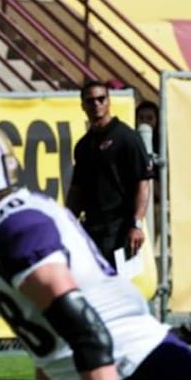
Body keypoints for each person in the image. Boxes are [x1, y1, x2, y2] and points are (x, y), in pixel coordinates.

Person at [0, 118, 191, 380]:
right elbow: (50, 333)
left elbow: (86, 331)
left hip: (142, 370)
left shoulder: (15, 228)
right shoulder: (7, 223)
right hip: (136, 367)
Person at [66, 80, 153, 269]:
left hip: (121, 228)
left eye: (101, 99)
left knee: (124, 287)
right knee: (96, 288)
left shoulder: (127, 138)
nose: (96, 104)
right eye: (90, 101)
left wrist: (136, 225)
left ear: (108, 101)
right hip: (92, 228)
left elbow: (143, 183)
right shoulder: (83, 146)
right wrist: (68, 223)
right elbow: (77, 190)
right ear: (83, 106)